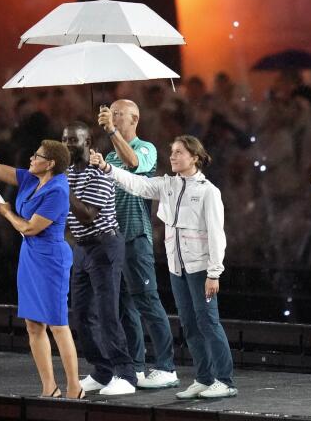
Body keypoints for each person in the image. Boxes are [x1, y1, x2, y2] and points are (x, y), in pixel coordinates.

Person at [91, 134, 237, 399]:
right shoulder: (167, 185)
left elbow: (217, 235)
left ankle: (225, 380)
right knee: (190, 325)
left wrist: (214, 273)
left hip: (201, 269)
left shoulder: (208, 192)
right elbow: (136, 184)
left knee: (208, 323)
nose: (172, 156)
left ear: (195, 157)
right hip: (177, 269)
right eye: (172, 152)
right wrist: (107, 168)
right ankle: (204, 378)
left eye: (179, 152)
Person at [0, 128, 83, 399]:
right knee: (34, 324)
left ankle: (74, 388)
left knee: (58, 324)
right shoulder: (30, 179)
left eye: (38, 156)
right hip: (31, 256)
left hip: (51, 258)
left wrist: (8, 214)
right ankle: (49, 387)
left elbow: (31, 228)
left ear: (51, 163)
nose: (32, 158)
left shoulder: (57, 190)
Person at [96, 100, 179, 389]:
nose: (115, 117)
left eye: (120, 114)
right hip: (113, 238)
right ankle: (137, 367)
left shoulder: (147, 148)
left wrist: (110, 132)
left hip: (135, 236)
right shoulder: (108, 154)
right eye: (112, 113)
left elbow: (133, 164)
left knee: (147, 302)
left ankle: (167, 367)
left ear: (135, 118)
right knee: (123, 307)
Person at [63, 122, 137, 396]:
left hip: (105, 245)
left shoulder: (100, 172)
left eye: (73, 140)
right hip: (82, 248)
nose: (68, 145)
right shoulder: (69, 171)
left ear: (88, 142)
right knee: (82, 314)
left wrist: (62, 187)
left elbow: (88, 215)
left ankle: (126, 374)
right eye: (65, 140)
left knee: (107, 313)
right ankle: (102, 370)